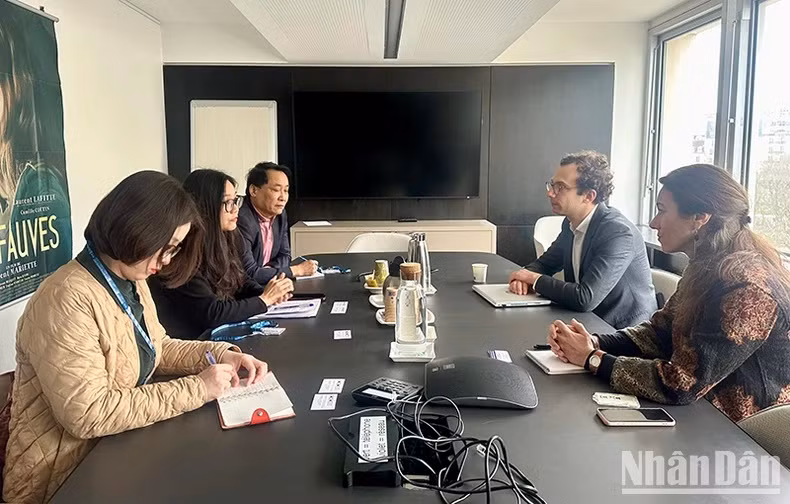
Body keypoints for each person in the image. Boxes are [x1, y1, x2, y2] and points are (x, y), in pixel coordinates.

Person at [2, 171, 270, 504]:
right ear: (136, 232)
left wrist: (220, 353)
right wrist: (198, 387)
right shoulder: (65, 298)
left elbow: (157, 346)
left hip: (117, 452)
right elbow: (89, 413)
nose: (167, 260)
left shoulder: (131, 277)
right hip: (64, 479)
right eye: (166, 248)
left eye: (175, 249)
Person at [548, 164, 790, 423]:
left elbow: (682, 382)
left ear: (700, 217)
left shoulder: (746, 286)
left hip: (741, 439)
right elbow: (659, 334)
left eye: (662, 211)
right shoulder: (706, 264)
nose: (653, 222)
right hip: (701, 415)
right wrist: (595, 343)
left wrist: (592, 359)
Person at [509, 151, 656, 329]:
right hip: (587, 322)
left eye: (560, 187)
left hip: (622, 333)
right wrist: (523, 279)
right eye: (552, 184)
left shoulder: (617, 233)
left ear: (588, 196)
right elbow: (545, 264)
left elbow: (585, 298)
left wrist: (533, 278)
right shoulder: (570, 223)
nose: (550, 193)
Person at [149, 169, 294, 340]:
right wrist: (263, 300)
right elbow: (213, 313)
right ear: (205, 206)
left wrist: (265, 293)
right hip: (191, 345)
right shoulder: (182, 251)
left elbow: (240, 280)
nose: (235, 209)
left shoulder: (226, 236)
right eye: (228, 202)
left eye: (235, 201)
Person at [237, 162, 318, 285]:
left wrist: (269, 272)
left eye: (286, 190)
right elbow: (249, 273)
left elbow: (285, 255)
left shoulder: (280, 214)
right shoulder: (242, 219)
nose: (283, 197)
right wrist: (297, 270)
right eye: (276, 190)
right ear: (254, 190)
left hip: (269, 285)